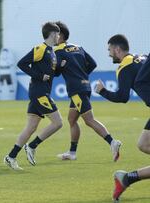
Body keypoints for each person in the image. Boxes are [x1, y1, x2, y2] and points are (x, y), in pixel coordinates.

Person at [54, 21, 122, 161]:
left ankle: (112, 142)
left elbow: (55, 72)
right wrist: (82, 75)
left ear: (59, 35)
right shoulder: (78, 47)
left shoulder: (57, 51)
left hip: (76, 90)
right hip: (85, 86)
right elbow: (93, 64)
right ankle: (72, 153)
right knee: (72, 119)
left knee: (89, 120)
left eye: (53, 33)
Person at [95, 34, 149, 202]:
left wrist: (102, 91)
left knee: (143, 144)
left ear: (117, 49)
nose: (109, 53)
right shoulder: (141, 58)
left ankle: (127, 179)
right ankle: (126, 179)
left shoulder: (124, 67)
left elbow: (123, 96)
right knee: (143, 144)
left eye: (110, 50)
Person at [4, 22, 63, 170]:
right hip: (39, 93)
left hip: (42, 92)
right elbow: (22, 63)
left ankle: (10, 157)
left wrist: (60, 66)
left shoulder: (52, 52)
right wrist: (38, 76)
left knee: (30, 128)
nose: (59, 37)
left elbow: (52, 74)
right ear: (52, 34)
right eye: (57, 34)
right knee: (58, 123)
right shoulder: (40, 49)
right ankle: (32, 146)